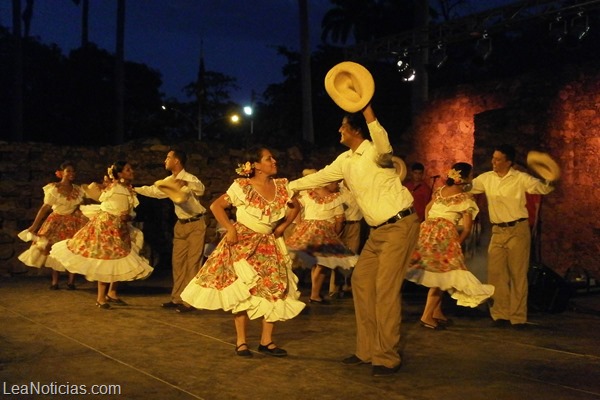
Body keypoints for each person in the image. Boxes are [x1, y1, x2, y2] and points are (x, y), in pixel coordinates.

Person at [288, 104, 420, 377]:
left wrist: (367, 109)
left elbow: (384, 144)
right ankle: (366, 350)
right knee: (361, 280)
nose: (339, 129)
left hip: (399, 225)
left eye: (344, 126)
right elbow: (320, 177)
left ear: (356, 130)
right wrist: (286, 187)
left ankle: (386, 356)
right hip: (377, 232)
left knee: (385, 288)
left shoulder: (375, 151)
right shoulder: (345, 160)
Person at [181, 146, 305, 358]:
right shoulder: (242, 186)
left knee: (274, 287)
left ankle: (267, 341)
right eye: (268, 159)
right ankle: (241, 341)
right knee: (242, 289)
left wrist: (283, 227)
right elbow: (216, 206)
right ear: (256, 165)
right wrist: (230, 229)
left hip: (268, 243)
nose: (274, 161)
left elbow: (296, 206)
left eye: (273, 158)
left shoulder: (281, 186)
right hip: (243, 243)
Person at [470, 144, 555, 328]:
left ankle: (517, 317)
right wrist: (455, 182)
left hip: (517, 229)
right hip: (498, 231)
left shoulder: (520, 178)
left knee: (518, 274)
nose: (493, 162)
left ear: (508, 162)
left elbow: (541, 188)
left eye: (498, 159)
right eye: (493, 158)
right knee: (496, 274)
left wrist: (549, 179)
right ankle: (500, 314)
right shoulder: (486, 178)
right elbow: (469, 188)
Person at [49, 161, 153, 309]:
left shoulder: (126, 189)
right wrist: (120, 216)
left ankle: (112, 292)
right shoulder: (115, 188)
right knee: (106, 259)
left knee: (119, 258)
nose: (132, 172)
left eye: (131, 169)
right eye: (128, 170)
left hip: (120, 227)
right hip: (107, 227)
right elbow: (109, 207)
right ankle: (100, 297)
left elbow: (127, 211)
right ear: (119, 173)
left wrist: (127, 217)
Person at [405, 162, 494, 330]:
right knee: (443, 275)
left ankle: (436, 311)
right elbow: (467, 229)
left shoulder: (440, 191)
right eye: (470, 175)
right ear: (464, 178)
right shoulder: (465, 199)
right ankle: (426, 316)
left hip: (428, 235)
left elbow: (428, 208)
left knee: (443, 274)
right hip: (445, 238)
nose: (472, 178)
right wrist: (456, 243)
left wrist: (429, 225)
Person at [135, 150, 207, 313]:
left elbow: (201, 189)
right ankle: (177, 298)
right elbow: (154, 191)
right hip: (180, 224)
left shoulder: (190, 178)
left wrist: (186, 184)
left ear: (177, 161)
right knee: (178, 262)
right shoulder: (168, 181)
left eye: (168, 157)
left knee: (192, 263)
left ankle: (190, 301)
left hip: (196, 223)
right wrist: (135, 190)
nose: (165, 160)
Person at [285, 170, 358, 304]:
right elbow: (340, 220)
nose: (337, 185)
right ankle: (314, 294)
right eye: (334, 183)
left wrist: (300, 223)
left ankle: (314, 294)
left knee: (319, 264)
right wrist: (335, 233)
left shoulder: (312, 196)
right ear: (327, 183)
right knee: (322, 264)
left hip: (310, 231)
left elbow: (295, 205)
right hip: (320, 233)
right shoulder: (329, 198)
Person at [18, 161, 88, 290]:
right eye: (68, 171)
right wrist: (34, 226)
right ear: (61, 173)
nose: (72, 173)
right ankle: (55, 281)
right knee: (54, 249)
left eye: (73, 171)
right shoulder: (54, 188)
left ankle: (71, 282)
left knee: (73, 250)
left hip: (73, 222)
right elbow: (45, 208)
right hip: (56, 221)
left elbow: (81, 207)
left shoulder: (78, 190)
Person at [329, 180, 363, 297]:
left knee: (353, 255)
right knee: (337, 256)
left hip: (355, 224)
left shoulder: (359, 186)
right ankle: (335, 287)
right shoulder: (338, 187)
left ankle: (348, 285)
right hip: (340, 224)